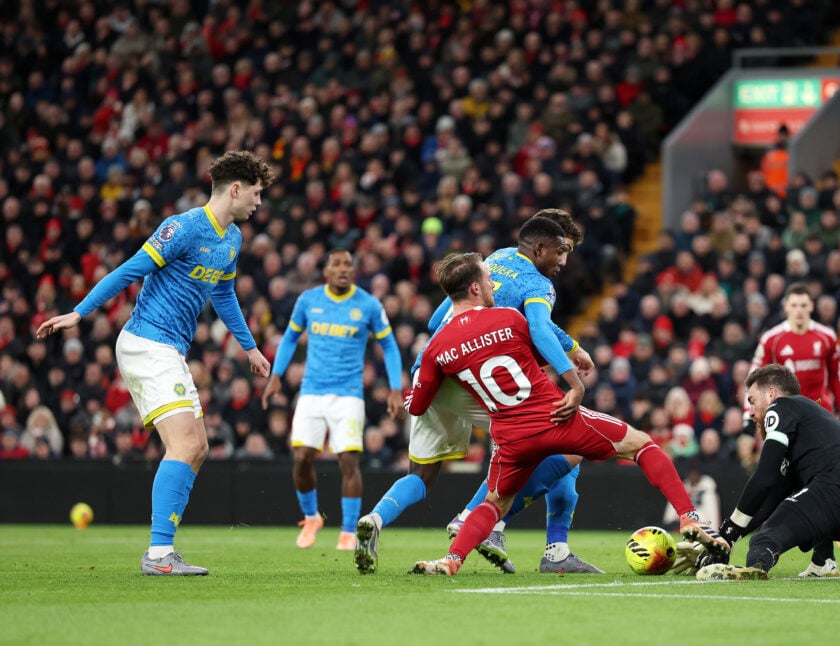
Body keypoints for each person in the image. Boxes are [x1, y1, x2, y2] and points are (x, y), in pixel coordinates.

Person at [400, 252, 728, 575]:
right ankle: (689, 517)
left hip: (510, 438)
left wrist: (412, 392)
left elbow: (417, 406)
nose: (493, 285)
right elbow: (538, 357)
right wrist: (573, 372)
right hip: (555, 416)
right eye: (488, 279)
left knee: (493, 503)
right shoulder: (509, 318)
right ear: (474, 288)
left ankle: (452, 560)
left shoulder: (436, 348)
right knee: (642, 445)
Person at [36, 150, 275, 575]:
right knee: (183, 445)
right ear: (235, 189)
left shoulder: (232, 238)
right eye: (256, 193)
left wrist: (250, 348)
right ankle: (159, 555)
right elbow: (130, 270)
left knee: (198, 448)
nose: (259, 202)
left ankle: (164, 551)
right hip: (148, 341)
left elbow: (223, 294)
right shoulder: (182, 228)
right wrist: (80, 312)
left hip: (169, 348)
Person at [354, 213, 598, 575]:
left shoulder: (494, 260)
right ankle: (480, 521)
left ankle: (374, 519)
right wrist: (573, 363)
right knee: (559, 438)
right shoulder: (538, 284)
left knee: (421, 476)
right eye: (561, 252)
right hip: (470, 372)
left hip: (431, 368)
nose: (563, 262)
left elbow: (437, 321)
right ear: (541, 247)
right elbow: (540, 328)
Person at [261, 248, 403, 551]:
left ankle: (349, 531)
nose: (343, 269)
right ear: (326, 271)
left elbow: (389, 346)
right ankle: (312, 517)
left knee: (348, 460)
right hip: (312, 390)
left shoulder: (368, 304)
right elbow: (288, 338)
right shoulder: (308, 300)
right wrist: (276, 375)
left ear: (353, 271)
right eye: (337, 264)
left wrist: (394, 387)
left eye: (348, 265)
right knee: (301, 458)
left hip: (348, 394)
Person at [695, 364, 840, 580]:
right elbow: (773, 496)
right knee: (806, 490)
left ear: (771, 393)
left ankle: (756, 567)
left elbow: (764, 478)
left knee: (764, 540)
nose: (750, 411)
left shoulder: (780, 407)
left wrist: (728, 530)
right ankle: (823, 561)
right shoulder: (809, 422)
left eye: (751, 400)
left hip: (839, 492)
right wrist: (729, 537)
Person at [746, 283, 840, 430]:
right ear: (786, 307)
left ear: (811, 306)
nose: (799, 311)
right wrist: (749, 411)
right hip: (784, 412)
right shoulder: (772, 339)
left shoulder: (826, 337)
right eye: (794, 305)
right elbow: (755, 377)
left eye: (803, 305)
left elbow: (836, 375)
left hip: (820, 409)